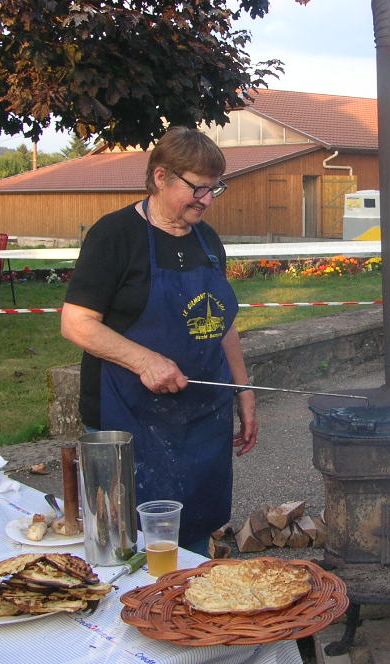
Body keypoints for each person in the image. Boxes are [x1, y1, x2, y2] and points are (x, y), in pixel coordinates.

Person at [61, 126, 258, 554]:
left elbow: (220, 322)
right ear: (161, 178)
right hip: (128, 418)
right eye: (197, 189)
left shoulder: (207, 239)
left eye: (214, 189)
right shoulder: (115, 235)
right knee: (124, 544)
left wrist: (242, 389)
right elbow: (77, 323)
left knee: (192, 535)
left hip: (201, 417)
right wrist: (145, 361)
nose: (206, 200)